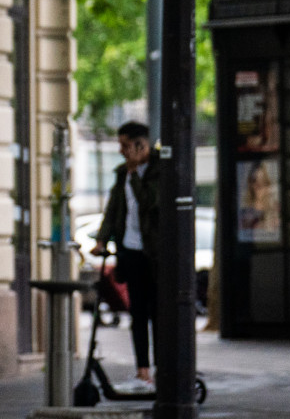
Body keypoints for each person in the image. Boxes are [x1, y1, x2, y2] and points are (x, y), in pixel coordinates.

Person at [91, 121, 160, 386]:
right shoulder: (122, 174)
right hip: (130, 250)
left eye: (126, 145)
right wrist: (101, 239)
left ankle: (162, 368)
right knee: (138, 312)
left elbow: (150, 203)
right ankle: (143, 369)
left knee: (159, 312)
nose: (122, 151)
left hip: (154, 253)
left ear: (142, 145)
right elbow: (113, 209)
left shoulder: (158, 170)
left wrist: (135, 176)